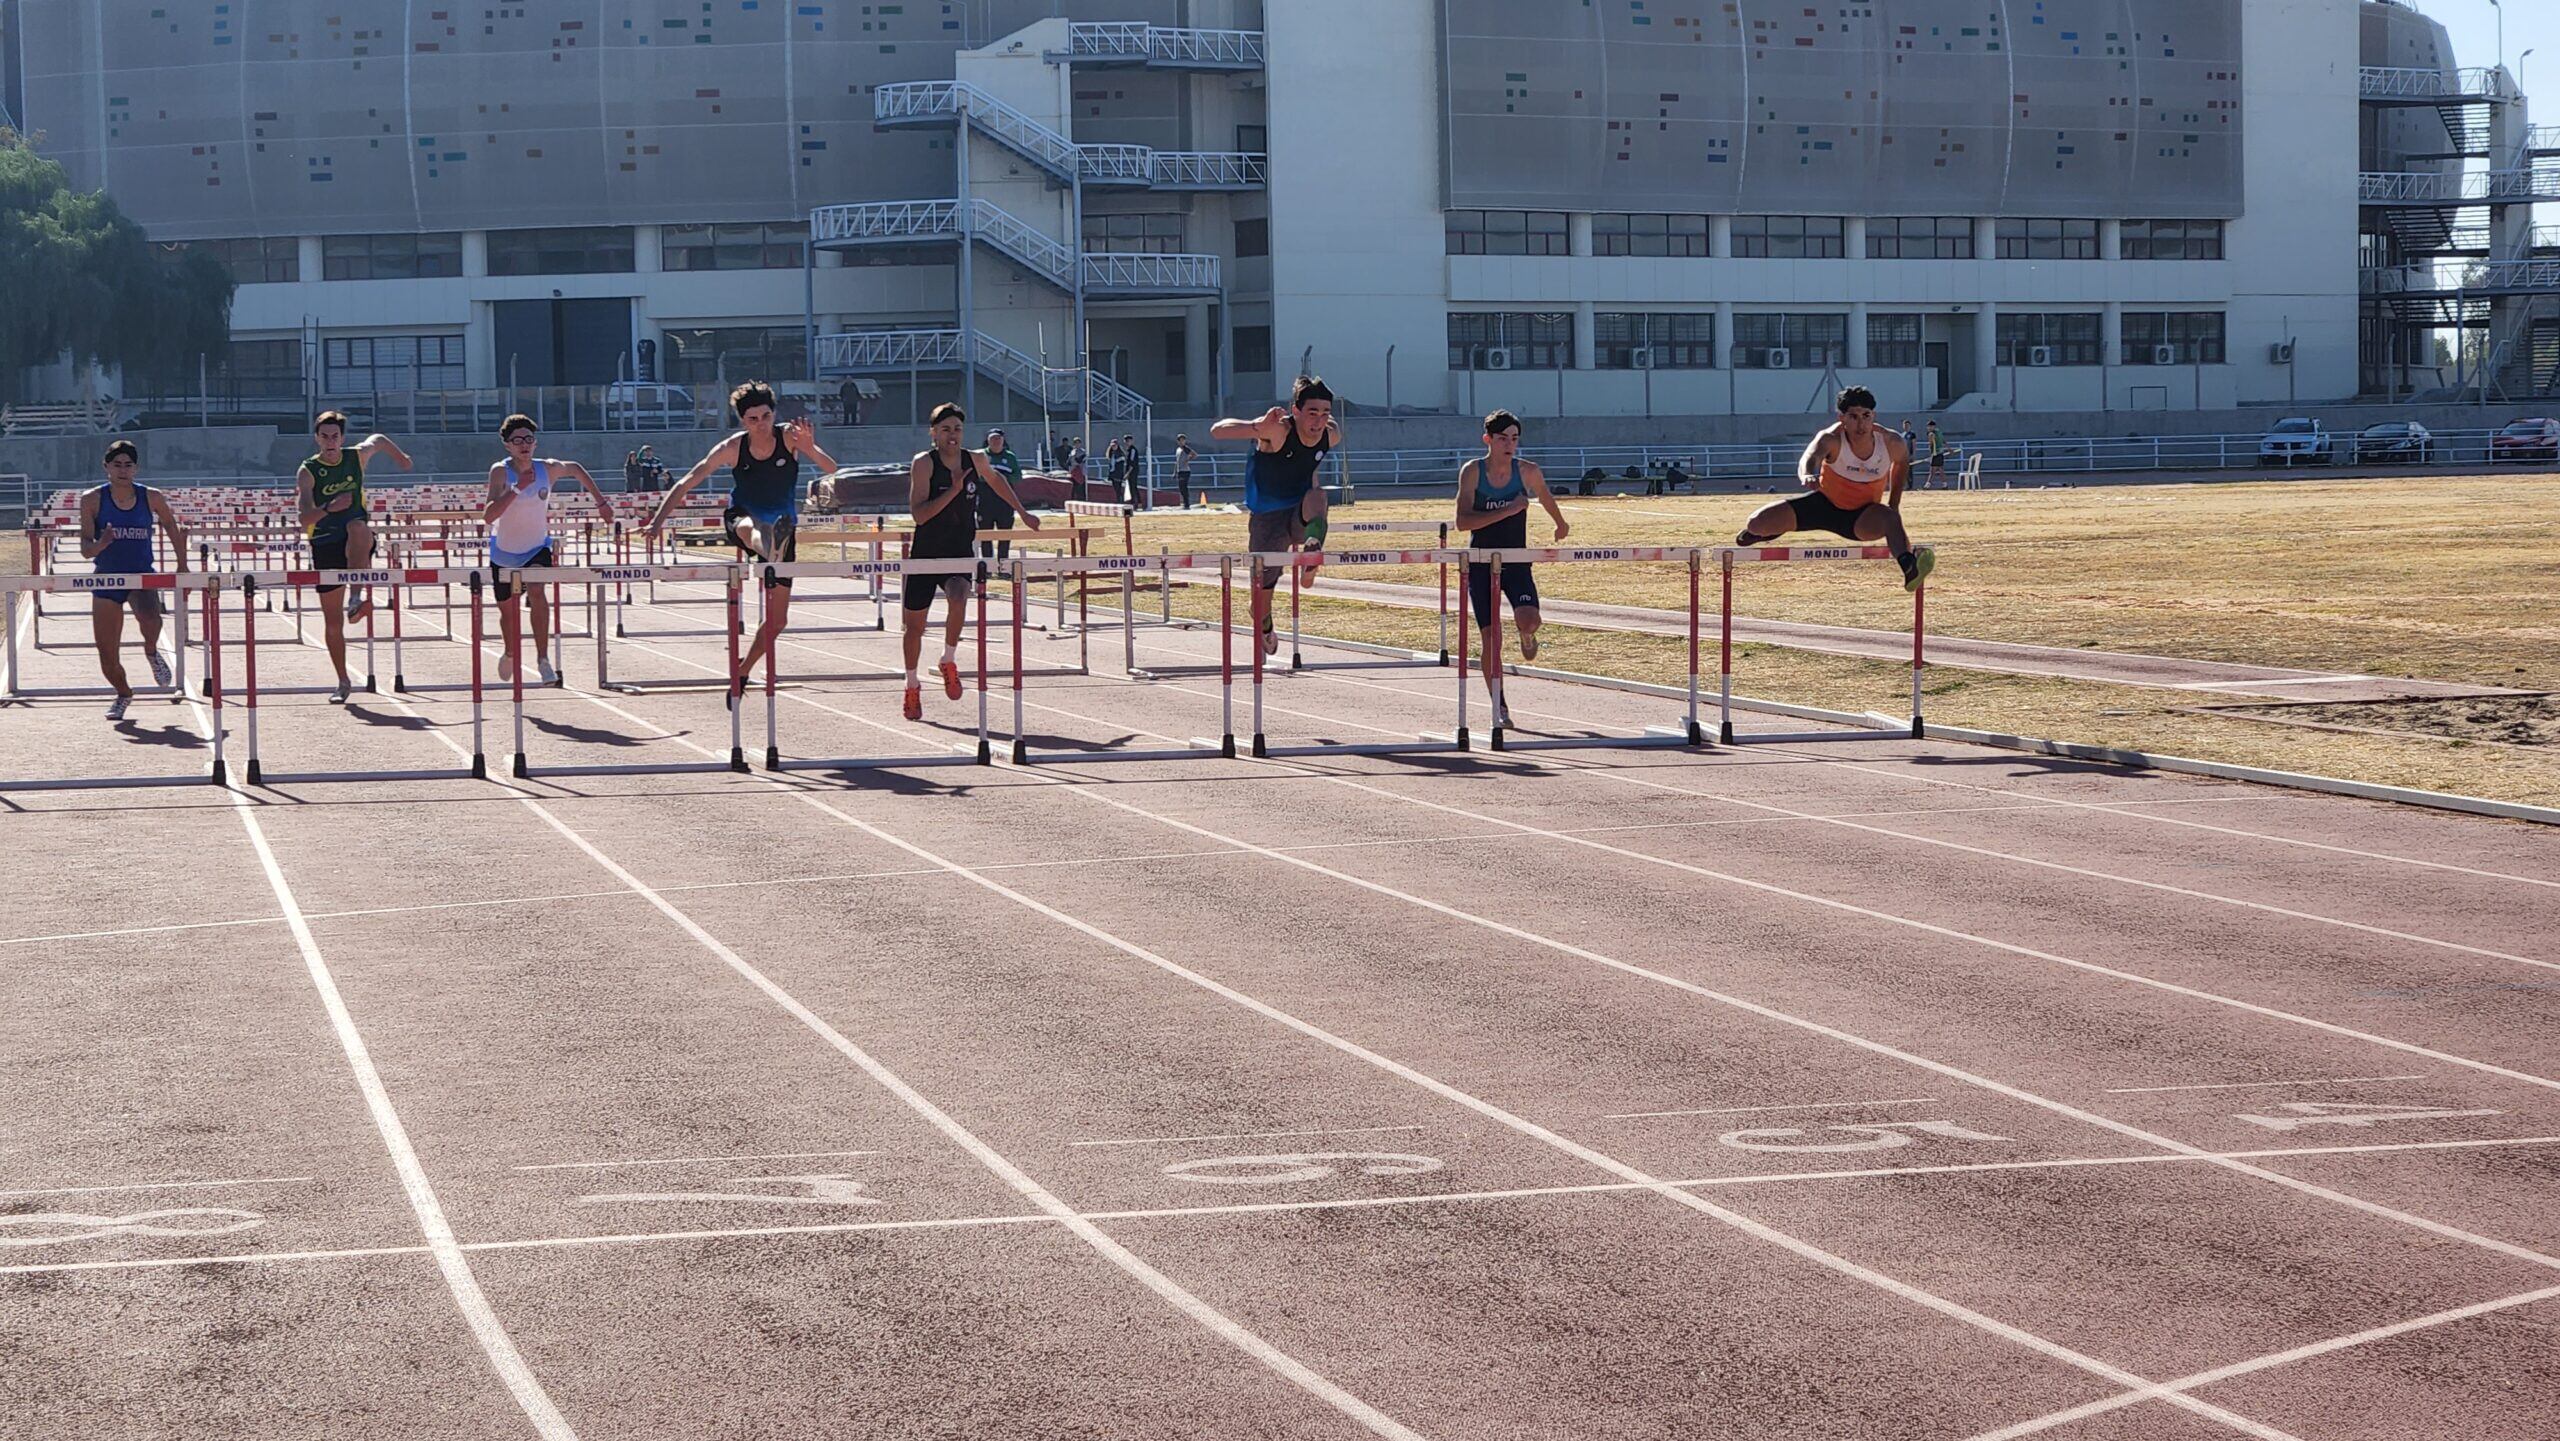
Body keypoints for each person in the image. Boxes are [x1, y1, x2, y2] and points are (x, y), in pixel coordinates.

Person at [643, 381, 841, 705]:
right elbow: (687, 481)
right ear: (742, 421)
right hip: (743, 518)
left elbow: (831, 469)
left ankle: (744, 669)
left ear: (773, 413)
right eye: (753, 419)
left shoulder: (789, 436)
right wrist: (658, 520)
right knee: (752, 528)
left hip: (784, 528)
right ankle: (768, 544)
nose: (761, 424)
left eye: (766, 416)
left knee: (778, 621)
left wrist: (810, 446)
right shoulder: (732, 448)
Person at [904, 402, 1040, 720]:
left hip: (959, 549)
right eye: (946, 429)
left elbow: (997, 481)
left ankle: (948, 660)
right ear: (933, 433)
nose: (952, 435)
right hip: (925, 552)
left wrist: (1022, 512)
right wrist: (953, 490)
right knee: (914, 628)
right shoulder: (923, 464)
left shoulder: (975, 459)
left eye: (958, 429)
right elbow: (919, 515)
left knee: (959, 595)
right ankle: (911, 685)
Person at [1735, 385, 1935, 593]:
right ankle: (1765, 532)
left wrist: (1894, 504)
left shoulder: (1891, 441)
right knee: (1756, 523)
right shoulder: (1831, 438)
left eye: (1866, 416)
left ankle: (1909, 567)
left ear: (1873, 416)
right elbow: (1810, 456)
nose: (1861, 424)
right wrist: (1808, 474)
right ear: (1842, 418)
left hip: (1862, 516)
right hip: (1822, 505)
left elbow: (1901, 464)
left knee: (1891, 518)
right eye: (1853, 416)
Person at [1454, 411, 1568, 729]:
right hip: (1480, 563)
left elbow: (1545, 496)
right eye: (1503, 439)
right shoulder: (1473, 473)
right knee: (1492, 639)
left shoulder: (1527, 471)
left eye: (1515, 439)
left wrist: (1560, 523)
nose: (1510, 445)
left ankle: (1527, 634)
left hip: (1516, 561)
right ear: (1488, 440)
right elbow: (1462, 522)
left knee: (1530, 620)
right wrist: (1508, 509)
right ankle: (1500, 707)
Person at [1212, 375, 1338, 656]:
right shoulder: (1278, 430)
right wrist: (1258, 427)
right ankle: (1264, 622)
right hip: (1267, 518)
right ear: (1296, 411)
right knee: (1261, 601)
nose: (1318, 422)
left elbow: (1310, 467)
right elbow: (1218, 431)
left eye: (1325, 413)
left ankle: (1312, 550)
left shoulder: (1331, 434)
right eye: (1312, 413)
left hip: (1298, 513)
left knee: (1319, 496)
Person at [485, 415, 612, 685]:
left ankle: (543, 660)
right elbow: (488, 515)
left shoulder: (548, 469)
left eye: (528, 439)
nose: (524, 445)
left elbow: (576, 469)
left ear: (535, 443)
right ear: (507, 445)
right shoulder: (500, 471)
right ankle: (510, 651)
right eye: (517, 440)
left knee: (537, 590)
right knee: (508, 612)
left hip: (536, 547)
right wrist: (518, 488)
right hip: (503, 552)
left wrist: (601, 503)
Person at [297, 411, 412, 704]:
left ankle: (356, 595)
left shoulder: (356, 457)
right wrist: (329, 508)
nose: (330, 442)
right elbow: (303, 518)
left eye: (335, 436)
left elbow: (379, 440)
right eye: (324, 436)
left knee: (359, 527)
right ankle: (343, 680)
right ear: (317, 438)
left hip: (354, 537)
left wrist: (400, 457)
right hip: (324, 542)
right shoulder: (308, 471)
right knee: (333, 623)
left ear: (342, 438)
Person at [78, 440, 189, 721]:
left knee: (152, 620)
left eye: (128, 465)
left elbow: (171, 527)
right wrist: (101, 544)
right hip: (107, 579)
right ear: (106, 467)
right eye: (117, 465)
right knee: (107, 654)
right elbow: (85, 550)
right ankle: (123, 693)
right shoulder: (91, 499)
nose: (123, 470)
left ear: (136, 468)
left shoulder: (151, 496)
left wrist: (182, 564)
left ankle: (151, 651)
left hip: (141, 575)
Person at [978, 427, 1023, 571]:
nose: (996, 441)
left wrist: (1002, 478)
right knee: (985, 535)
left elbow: (1018, 477)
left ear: (1003, 440)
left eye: (998, 438)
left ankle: (1003, 567)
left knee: (1005, 535)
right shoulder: (981, 456)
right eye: (993, 439)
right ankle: (988, 567)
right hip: (985, 502)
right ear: (988, 441)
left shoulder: (1010, 457)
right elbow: (974, 475)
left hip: (1005, 502)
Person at [1173, 433, 1197, 508]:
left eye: (1183, 440)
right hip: (1180, 470)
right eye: (1180, 440)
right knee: (1181, 488)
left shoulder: (1185, 448)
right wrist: (1174, 472)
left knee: (1184, 487)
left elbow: (1194, 455)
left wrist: (1188, 459)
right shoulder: (1178, 450)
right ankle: (1185, 502)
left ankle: (1187, 503)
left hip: (1185, 470)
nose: (1182, 442)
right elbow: (1177, 461)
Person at [1926, 421, 1947, 489]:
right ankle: (1944, 484)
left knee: (1932, 471)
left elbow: (1930, 444)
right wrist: (1949, 449)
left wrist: (1931, 454)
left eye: (1930, 426)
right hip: (1940, 453)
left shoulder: (1931, 434)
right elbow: (1944, 441)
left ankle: (1928, 485)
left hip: (1936, 453)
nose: (1928, 428)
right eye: (1928, 426)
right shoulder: (1939, 432)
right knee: (1940, 470)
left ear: (1933, 426)